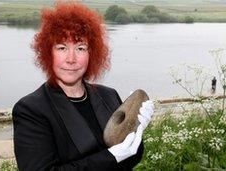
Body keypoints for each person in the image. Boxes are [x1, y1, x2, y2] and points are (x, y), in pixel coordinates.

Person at [12, 2, 154, 171]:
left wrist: (135, 132)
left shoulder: (108, 95)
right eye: (62, 47)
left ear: (91, 54)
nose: (71, 59)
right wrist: (111, 157)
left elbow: (131, 159)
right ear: (48, 53)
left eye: (80, 48)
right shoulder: (31, 110)